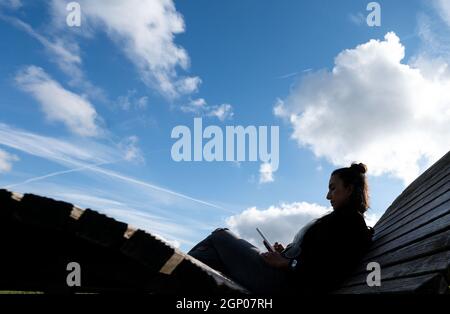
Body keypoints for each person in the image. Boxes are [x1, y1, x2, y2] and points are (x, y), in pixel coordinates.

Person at [187, 163, 374, 294]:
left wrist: (287, 263)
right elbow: (317, 255)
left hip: (285, 286)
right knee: (215, 253)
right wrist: (285, 253)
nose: (327, 195)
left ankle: (171, 274)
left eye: (333, 188)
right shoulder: (341, 220)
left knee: (220, 236)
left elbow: (331, 270)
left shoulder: (352, 225)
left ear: (349, 189)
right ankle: (176, 277)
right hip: (283, 277)